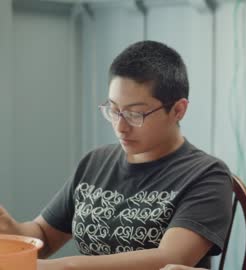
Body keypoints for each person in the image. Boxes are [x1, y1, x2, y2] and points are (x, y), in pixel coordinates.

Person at [0, 40, 233, 270]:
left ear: (178, 110)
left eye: (135, 114)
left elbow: (170, 260)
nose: (120, 126)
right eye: (113, 110)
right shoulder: (96, 162)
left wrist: (64, 267)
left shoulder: (207, 175)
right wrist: (9, 227)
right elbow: (44, 236)